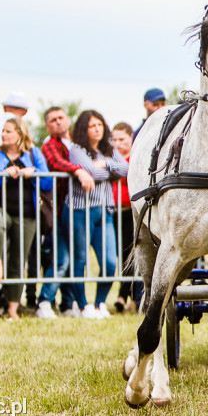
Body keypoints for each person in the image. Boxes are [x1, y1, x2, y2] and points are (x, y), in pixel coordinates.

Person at [0, 116, 52, 321]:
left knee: (18, 260)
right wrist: (2, 174)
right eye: (3, 131)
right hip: (0, 207)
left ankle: (13, 310)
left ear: (20, 134)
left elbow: (47, 183)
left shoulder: (33, 153)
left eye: (8, 131)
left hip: (27, 213)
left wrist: (35, 172)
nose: (4, 134)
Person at [65, 110, 128, 320]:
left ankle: (100, 303)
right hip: (81, 209)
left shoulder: (108, 149)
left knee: (110, 261)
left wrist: (107, 164)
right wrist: (109, 171)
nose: (98, 129)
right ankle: (83, 305)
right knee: (80, 258)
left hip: (106, 210)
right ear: (84, 129)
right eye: (92, 126)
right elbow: (91, 172)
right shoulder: (76, 149)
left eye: (100, 124)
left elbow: (126, 169)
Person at [37, 106, 95, 319]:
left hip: (80, 208)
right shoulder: (50, 144)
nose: (58, 122)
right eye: (52, 120)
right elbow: (55, 163)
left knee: (74, 258)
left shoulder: (78, 142)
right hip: (61, 208)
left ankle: (67, 303)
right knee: (63, 258)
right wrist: (78, 169)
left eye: (61, 118)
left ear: (68, 119)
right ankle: (44, 301)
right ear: (47, 125)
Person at [111, 121, 141, 312]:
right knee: (122, 255)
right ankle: (124, 294)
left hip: (132, 211)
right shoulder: (112, 160)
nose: (117, 144)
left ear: (131, 137)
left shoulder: (136, 158)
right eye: (113, 140)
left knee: (135, 252)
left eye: (121, 139)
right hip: (115, 212)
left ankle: (132, 297)